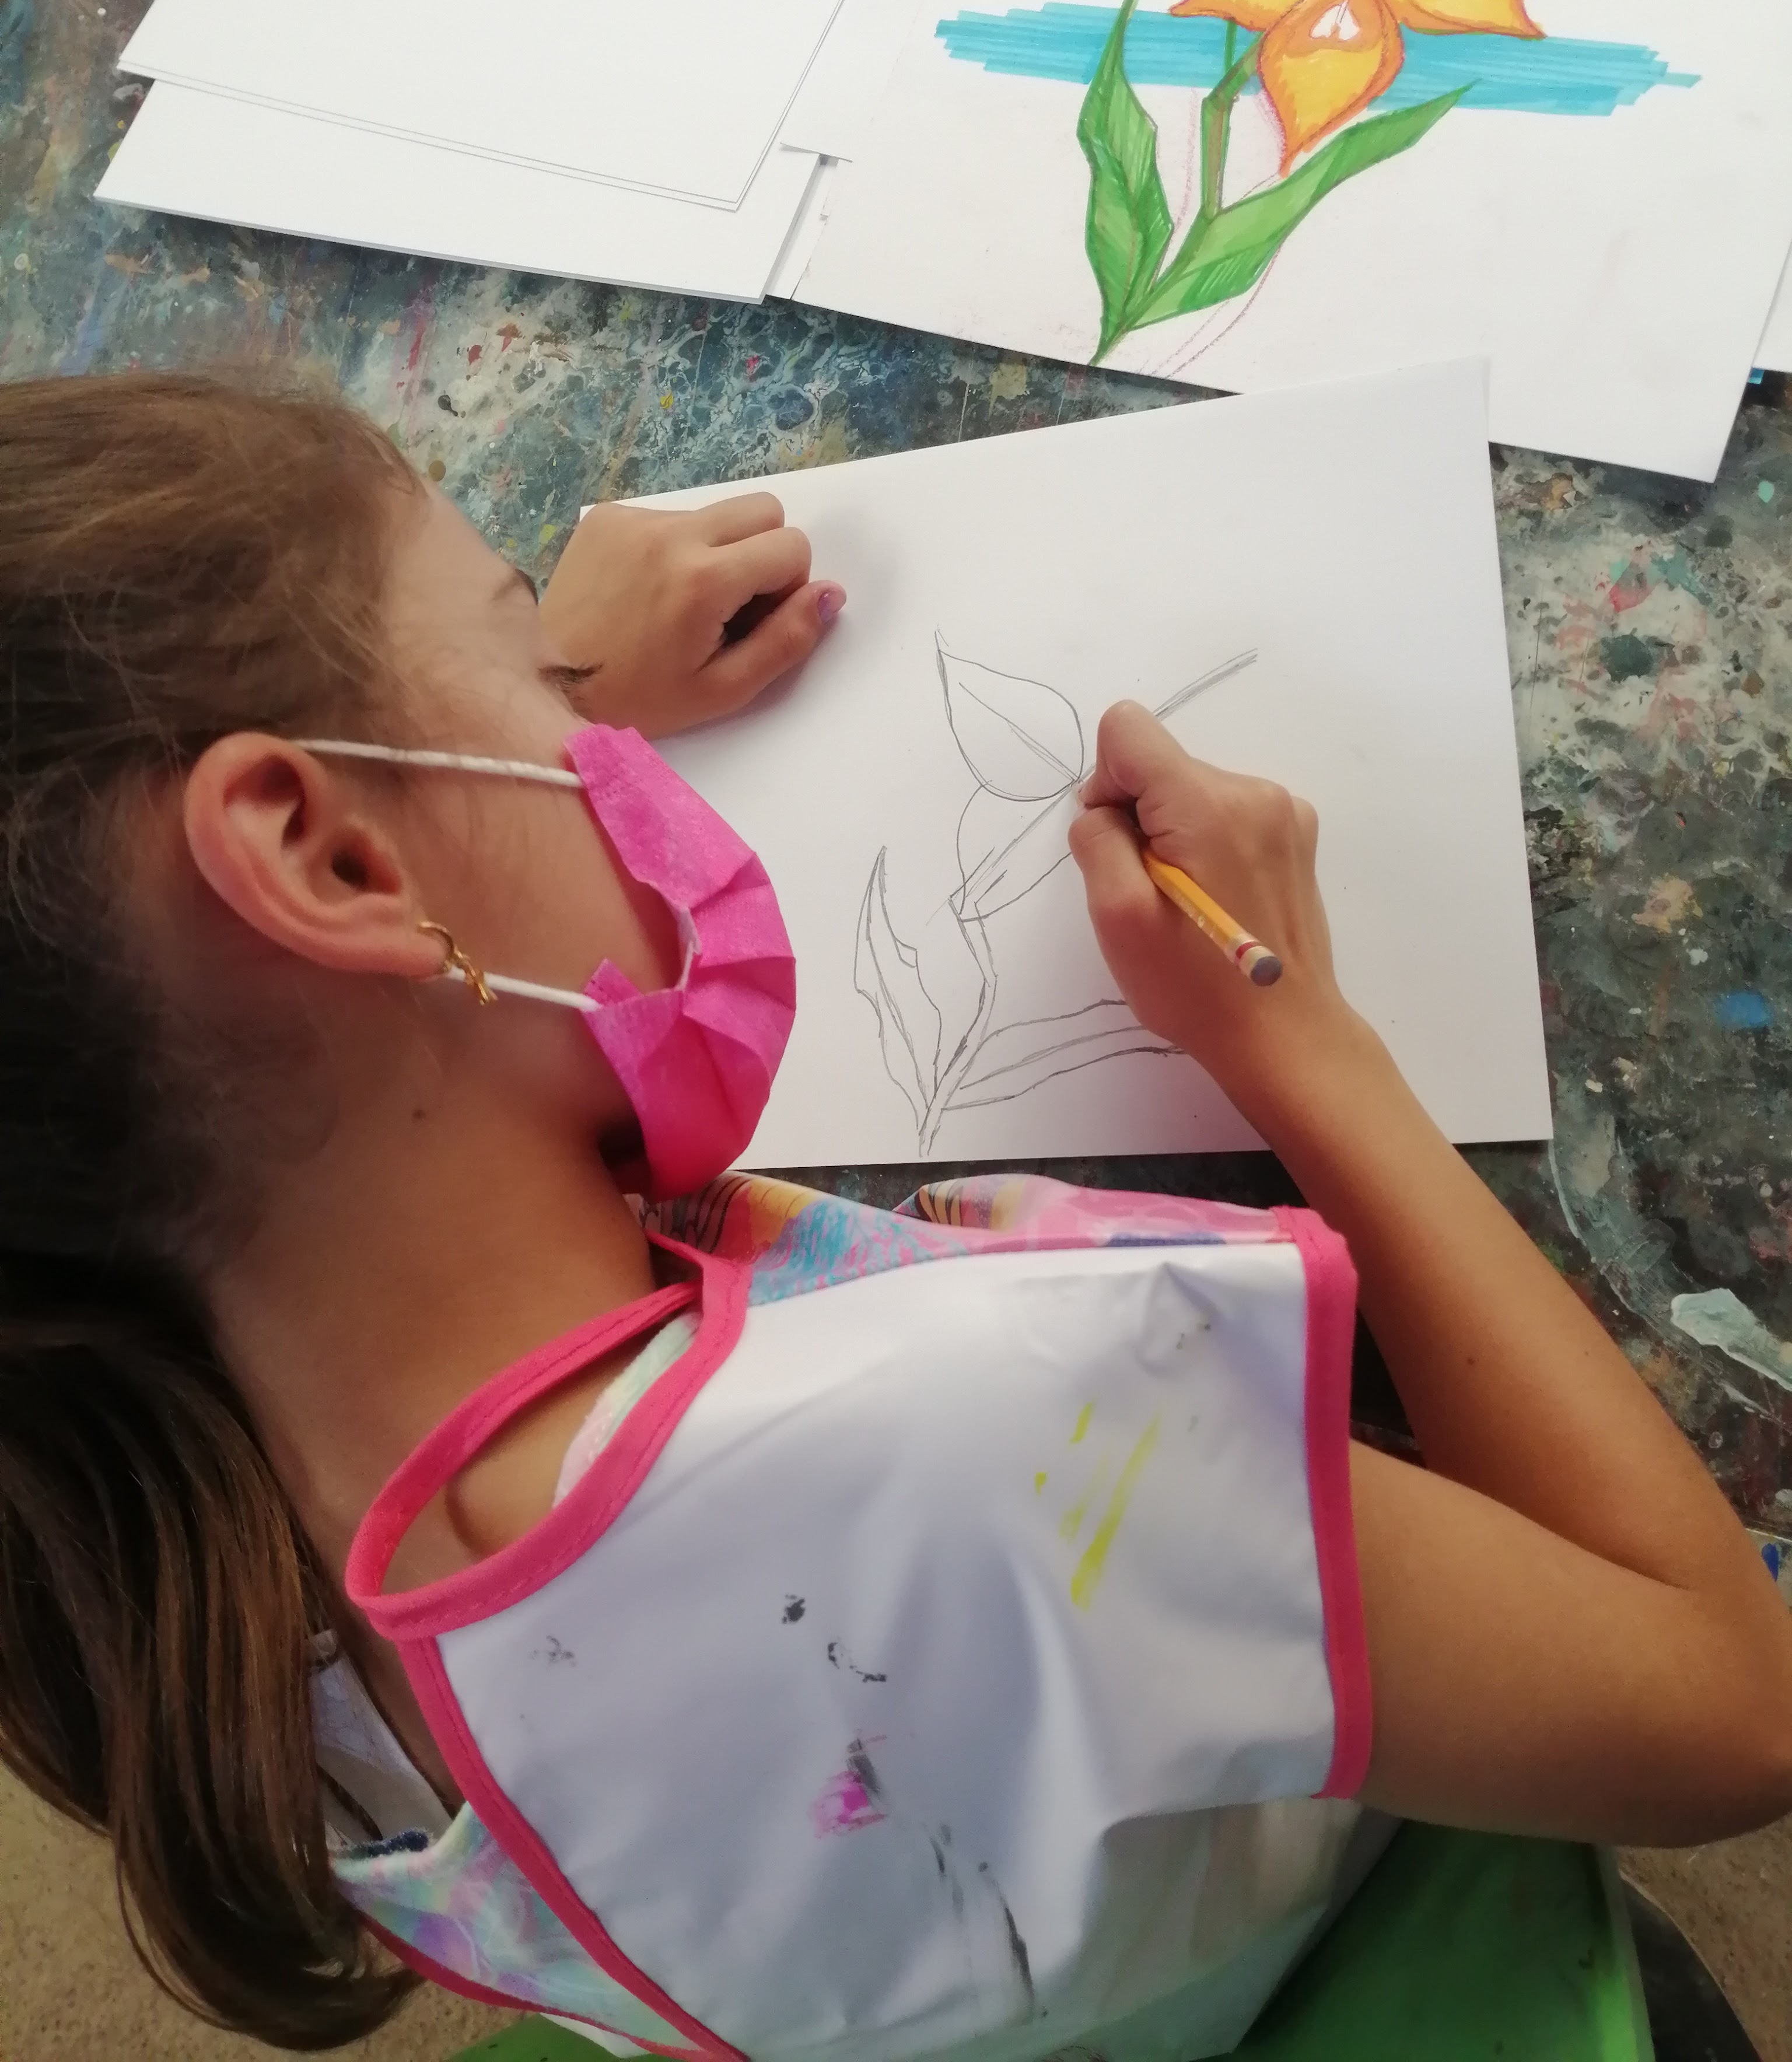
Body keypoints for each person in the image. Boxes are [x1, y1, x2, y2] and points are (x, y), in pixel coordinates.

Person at [0, 372, 1786, 2060]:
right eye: (545, 669)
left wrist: (479, 728)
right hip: (1349, 1957)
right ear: (330, 861)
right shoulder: (1004, 1444)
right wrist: (1299, 1034)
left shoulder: (151, 1540)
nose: (589, 725)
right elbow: (1730, 1707)